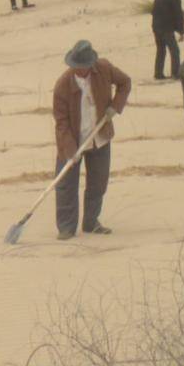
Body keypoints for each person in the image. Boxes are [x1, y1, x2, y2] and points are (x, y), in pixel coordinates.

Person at [52, 40, 131, 240]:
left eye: (84, 67)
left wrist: (115, 106)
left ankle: (91, 222)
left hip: (99, 136)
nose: (80, 71)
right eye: (76, 67)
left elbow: (125, 83)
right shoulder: (62, 86)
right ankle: (66, 227)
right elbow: (61, 122)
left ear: (90, 64)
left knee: (98, 182)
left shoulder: (104, 69)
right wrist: (70, 150)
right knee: (66, 185)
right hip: (72, 139)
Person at [151, 0, 184, 80]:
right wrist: (181, 31)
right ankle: (175, 73)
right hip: (166, 28)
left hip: (156, 27)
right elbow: (178, 15)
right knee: (174, 50)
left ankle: (158, 74)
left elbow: (153, 12)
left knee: (161, 50)